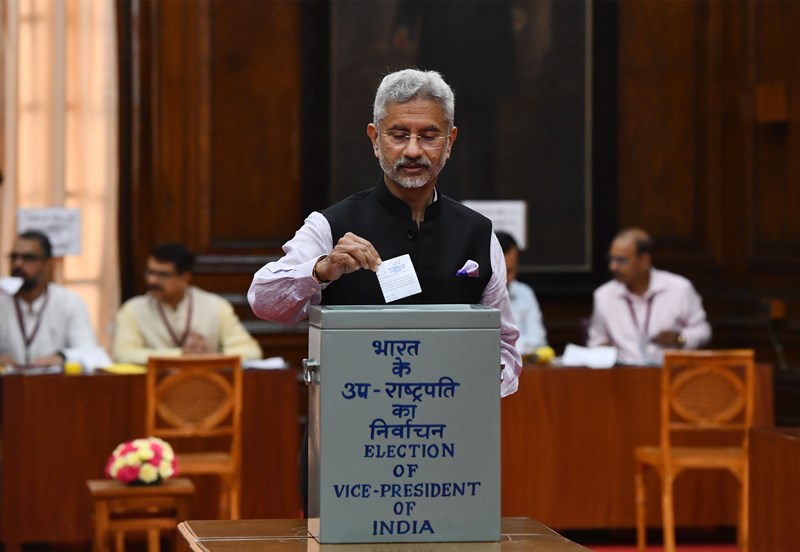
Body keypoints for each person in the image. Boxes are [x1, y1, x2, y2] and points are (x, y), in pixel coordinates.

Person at [248, 68, 522, 395]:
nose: (413, 151)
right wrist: (321, 270)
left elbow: (504, 347)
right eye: (398, 134)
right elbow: (263, 301)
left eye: (429, 136)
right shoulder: (330, 225)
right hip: (350, 425)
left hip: (447, 434)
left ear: (449, 142)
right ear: (375, 140)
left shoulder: (478, 232)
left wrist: (461, 388)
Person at [113, 242, 262, 365]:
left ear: (185, 277)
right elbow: (123, 355)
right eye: (150, 273)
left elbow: (252, 351)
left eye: (163, 275)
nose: (152, 281)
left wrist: (210, 357)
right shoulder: (132, 309)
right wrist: (180, 355)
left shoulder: (216, 306)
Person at [586, 228, 711, 365]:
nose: (613, 267)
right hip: (624, 373)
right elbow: (596, 340)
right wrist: (602, 349)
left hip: (669, 372)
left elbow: (703, 331)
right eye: (611, 259)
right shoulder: (604, 295)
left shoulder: (679, 288)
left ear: (644, 260)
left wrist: (679, 338)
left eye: (621, 260)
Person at [0, 230, 97, 366]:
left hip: (54, 384)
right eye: (14, 257)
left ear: (48, 264)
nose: (18, 264)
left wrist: (62, 357)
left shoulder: (69, 302)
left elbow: (90, 352)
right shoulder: (2, 299)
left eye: (28, 258)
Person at [495, 231, 547, 358]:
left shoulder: (525, 293)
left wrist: (502, 347)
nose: (509, 278)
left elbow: (539, 340)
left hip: (522, 367)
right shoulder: (473, 294)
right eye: (504, 271)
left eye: (512, 270)